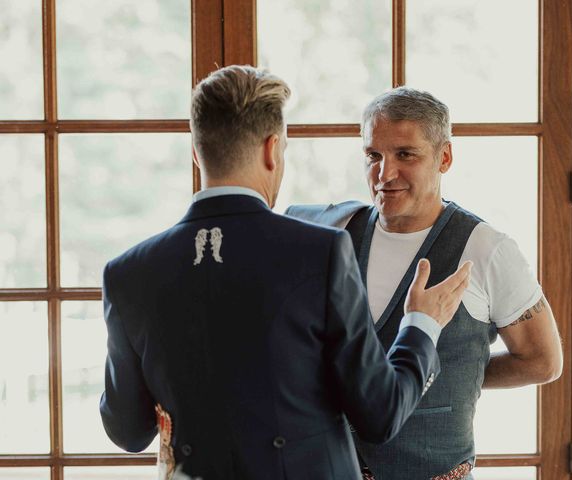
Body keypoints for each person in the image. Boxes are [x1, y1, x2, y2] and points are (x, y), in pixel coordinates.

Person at [99, 66, 474, 480]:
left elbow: (127, 431)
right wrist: (421, 325)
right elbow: (379, 414)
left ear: (195, 151)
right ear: (272, 149)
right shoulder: (321, 253)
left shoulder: (127, 274)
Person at [286, 87, 563, 480]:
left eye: (405, 155)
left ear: (444, 157)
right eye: (373, 156)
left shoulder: (486, 249)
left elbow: (543, 361)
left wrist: (453, 375)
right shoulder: (337, 233)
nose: (385, 174)